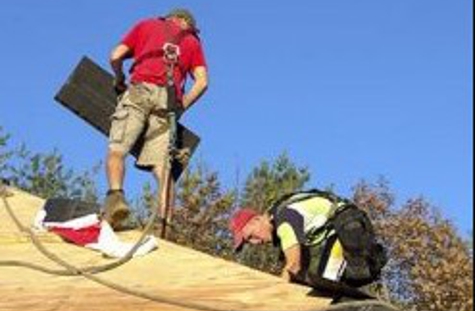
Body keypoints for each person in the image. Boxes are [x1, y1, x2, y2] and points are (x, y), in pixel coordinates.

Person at [103, 8, 208, 230]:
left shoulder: (147, 25)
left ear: (171, 18)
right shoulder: (192, 42)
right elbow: (202, 82)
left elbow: (115, 55)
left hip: (141, 90)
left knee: (117, 150)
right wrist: (182, 106)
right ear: (186, 23)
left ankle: (116, 197)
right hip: (167, 104)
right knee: (163, 169)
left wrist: (119, 77)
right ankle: (164, 223)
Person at [229, 190, 387, 289]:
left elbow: (293, 265)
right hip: (329, 233)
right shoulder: (278, 219)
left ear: (256, 220)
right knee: (310, 282)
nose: (255, 242)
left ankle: (371, 259)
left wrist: (277, 295)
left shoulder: (284, 219)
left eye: (250, 236)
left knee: (339, 281)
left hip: (347, 224)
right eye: (249, 242)